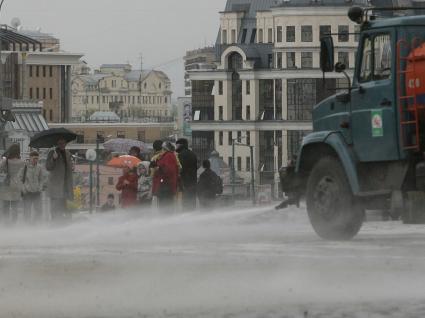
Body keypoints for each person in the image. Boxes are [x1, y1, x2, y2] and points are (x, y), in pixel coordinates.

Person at [46, 138, 74, 221]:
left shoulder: (68, 153)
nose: (62, 145)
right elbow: (48, 167)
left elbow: (67, 167)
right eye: (60, 143)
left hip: (67, 186)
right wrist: (53, 159)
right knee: (55, 209)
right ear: (57, 144)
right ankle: (55, 224)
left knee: (68, 208)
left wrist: (71, 167)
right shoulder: (52, 152)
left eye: (64, 143)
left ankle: (67, 225)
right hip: (56, 187)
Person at [151, 141, 179, 213]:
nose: (161, 149)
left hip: (166, 186)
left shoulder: (168, 155)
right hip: (164, 185)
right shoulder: (166, 156)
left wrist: (158, 168)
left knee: (165, 206)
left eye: (162, 148)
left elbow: (169, 170)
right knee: (164, 206)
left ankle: (166, 220)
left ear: (165, 148)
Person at [0, 144, 25, 224]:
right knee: (15, 206)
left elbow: (0, 169)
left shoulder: (6, 161)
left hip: (7, 184)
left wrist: (3, 159)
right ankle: (13, 223)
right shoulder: (22, 162)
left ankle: (5, 222)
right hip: (17, 185)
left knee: (6, 205)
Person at [19, 151, 45, 224]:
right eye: (34, 158)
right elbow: (20, 179)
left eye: (37, 158)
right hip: (27, 192)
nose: (35, 160)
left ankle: (35, 224)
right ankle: (28, 225)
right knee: (27, 210)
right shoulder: (25, 167)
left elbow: (41, 179)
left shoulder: (40, 167)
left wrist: (40, 188)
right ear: (30, 158)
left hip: (37, 192)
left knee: (39, 210)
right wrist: (24, 189)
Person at [176, 138, 198, 211]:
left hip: (185, 182)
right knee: (192, 202)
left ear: (181, 145)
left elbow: (180, 169)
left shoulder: (181, 155)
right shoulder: (193, 154)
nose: (176, 146)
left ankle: (186, 218)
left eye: (177, 144)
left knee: (186, 202)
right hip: (193, 182)